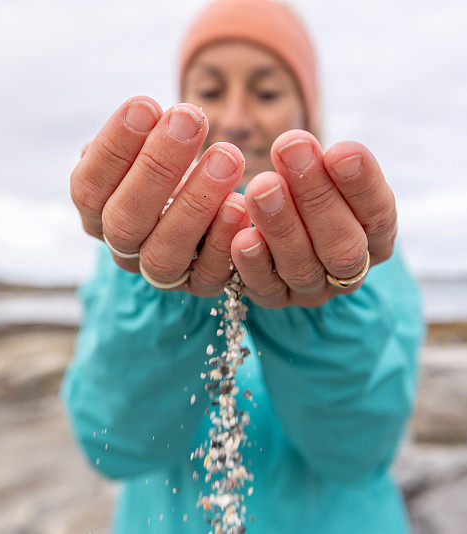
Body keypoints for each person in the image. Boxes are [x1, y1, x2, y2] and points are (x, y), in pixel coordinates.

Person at [61, 0, 424, 532]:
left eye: (268, 92)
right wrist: (165, 287)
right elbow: (113, 447)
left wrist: (323, 309)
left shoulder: (360, 249)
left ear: (307, 113)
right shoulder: (128, 254)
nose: (235, 118)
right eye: (209, 91)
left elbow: (361, 452)